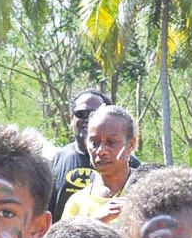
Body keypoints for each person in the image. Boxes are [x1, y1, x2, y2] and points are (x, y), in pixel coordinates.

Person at [49, 88, 139, 221]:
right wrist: (95, 221)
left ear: (131, 144)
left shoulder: (146, 192)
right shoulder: (77, 203)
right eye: (94, 142)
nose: (101, 150)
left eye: (111, 142)